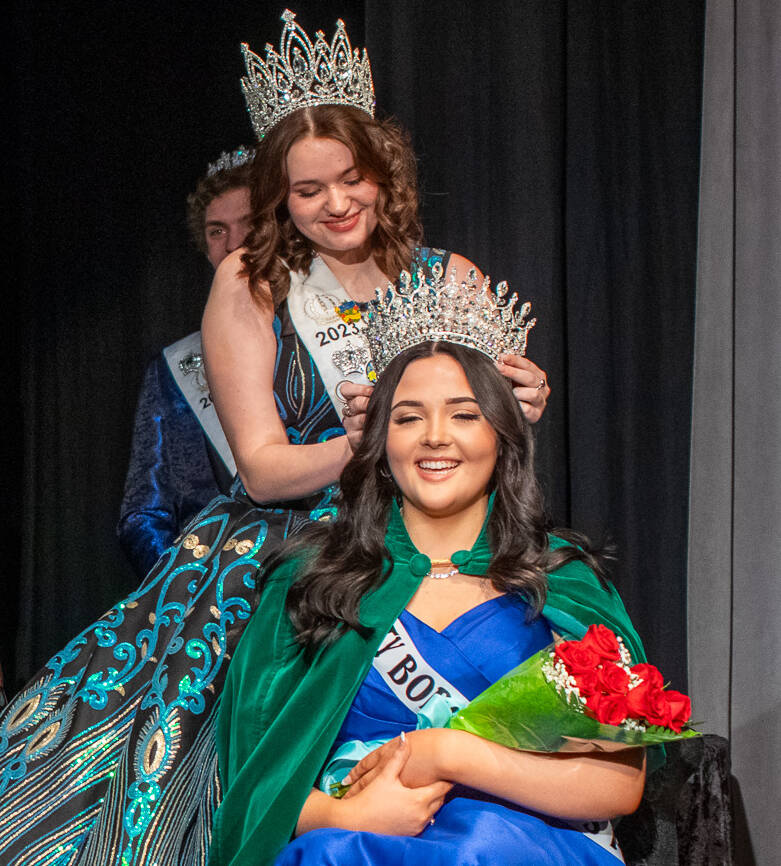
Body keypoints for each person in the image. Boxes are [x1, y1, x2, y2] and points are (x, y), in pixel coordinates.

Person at [0, 11, 551, 864]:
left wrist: (518, 402)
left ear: (383, 171)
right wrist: (365, 447)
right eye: (306, 190)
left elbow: (482, 430)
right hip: (284, 540)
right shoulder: (251, 282)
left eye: (351, 178)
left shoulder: (452, 277)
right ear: (277, 199)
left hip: (431, 531)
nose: (336, 204)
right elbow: (260, 469)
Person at [211, 337, 647, 866]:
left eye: (464, 415)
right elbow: (252, 783)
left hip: (522, 848)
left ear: (502, 434)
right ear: (379, 439)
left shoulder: (560, 578)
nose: (435, 438)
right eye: (408, 418)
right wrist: (342, 818)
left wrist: (450, 753)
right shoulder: (312, 579)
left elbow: (619, 785)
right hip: (349, 848)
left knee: (478, 847)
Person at [118, 147, 253, 576]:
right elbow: (142, 515)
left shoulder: (324, 337)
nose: (235, 245)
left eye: (249, 224)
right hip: (217, 599)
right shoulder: (173, 369)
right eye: (217, 231)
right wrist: (191, 593)